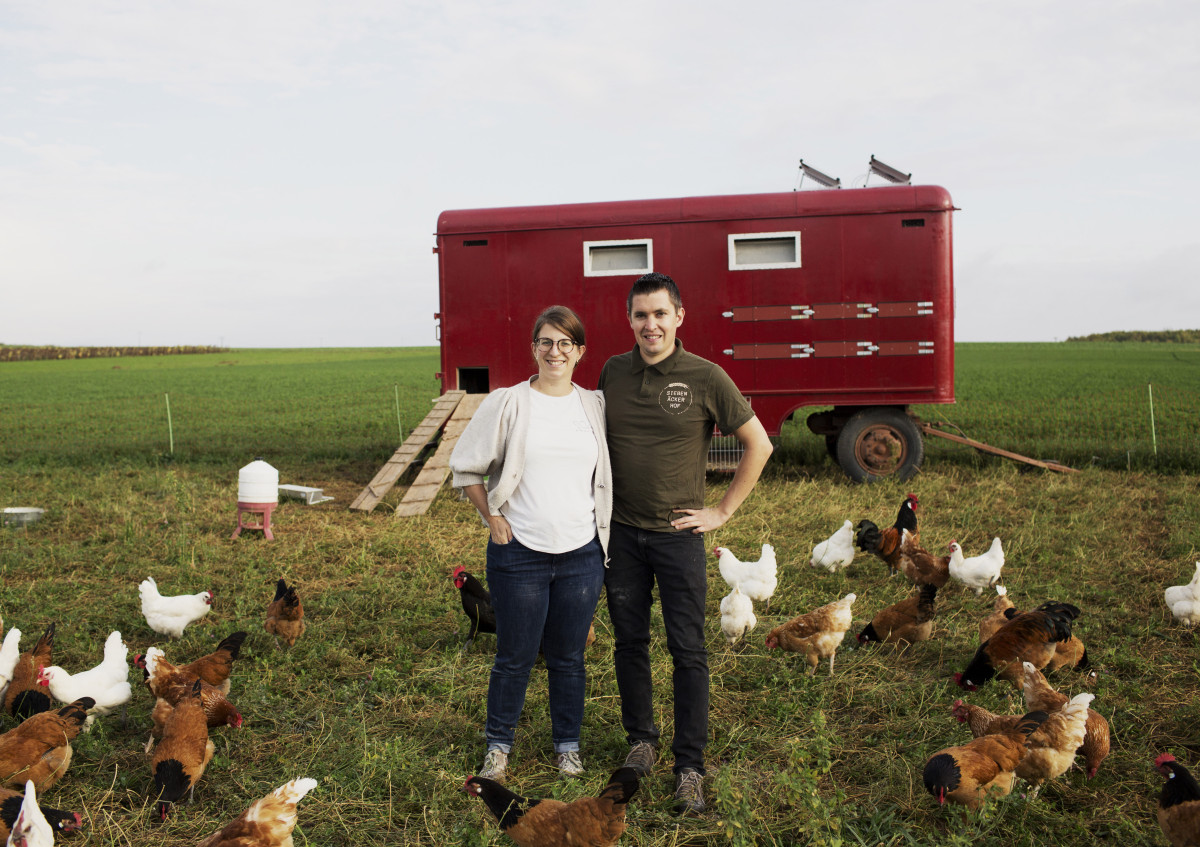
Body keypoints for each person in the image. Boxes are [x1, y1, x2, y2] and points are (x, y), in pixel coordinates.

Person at [597, 272, 773, 815]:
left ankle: (689, 767)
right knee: (629, 644)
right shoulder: (613, 372)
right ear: (630, 319)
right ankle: (642, 741)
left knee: (688, 650)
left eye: (660, 314)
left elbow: (759, 444)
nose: (650, 324)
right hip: (622, 536)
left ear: (679, 317)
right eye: (640, 315)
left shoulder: (705, 376)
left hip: (677, 539)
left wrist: (721, 511)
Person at [449, 305, 612, 783]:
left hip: (582, 553)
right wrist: (492, 515)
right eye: (546, 342)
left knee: (568, 657)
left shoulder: (595, 405)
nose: (555, 351)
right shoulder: (508, 402)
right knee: (514, 656)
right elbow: (465, 466)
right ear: (534, 348)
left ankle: (567, 747)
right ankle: (498, 748)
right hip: (520, 554)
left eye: (565, 343)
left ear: (580, 352)